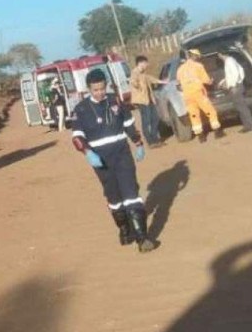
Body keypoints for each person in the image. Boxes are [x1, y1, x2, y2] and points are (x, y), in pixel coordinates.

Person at [70, 68, 159, 252]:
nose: (100, 92)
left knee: (131, 194)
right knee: (114, 197)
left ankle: (143, 239)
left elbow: (128, 124)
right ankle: (125, 229)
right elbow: (77, 137)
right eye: (95, 90)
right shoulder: (81, 109)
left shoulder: (115, 101)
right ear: (88, 89)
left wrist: (138, 143)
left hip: (122, 154)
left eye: (102, 88)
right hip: (101, 160)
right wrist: (87, 152)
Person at [177, 48, 224, 142]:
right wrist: (211, 82)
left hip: (187, 95)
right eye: (198, 56)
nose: (198, 58)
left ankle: (200, 136)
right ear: (194, 56)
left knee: (194, 115)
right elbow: (206, 80)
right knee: (210, 111)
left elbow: (179, 85)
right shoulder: (198, 66)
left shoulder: (180, 69)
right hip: (198, 92)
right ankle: (217, 131)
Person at [130, 56, 166, 147]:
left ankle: (155, 139)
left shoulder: (144, 74)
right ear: (141, 63)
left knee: (155, 118)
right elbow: (133, 82)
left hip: (149, 100)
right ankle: (151, 142)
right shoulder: (135, 72)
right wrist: (137, 85)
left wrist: (163, 82)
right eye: (146, 63)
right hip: (141, 101)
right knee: (146, 121)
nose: (147, 65)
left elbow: (152, 79)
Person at [219, 50, 252, 133]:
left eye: (219, 55)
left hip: (236, 87)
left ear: (220, 54)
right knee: (240, 107)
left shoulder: (229, 62)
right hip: (237, 86)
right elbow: (240, 71)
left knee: (242, 107)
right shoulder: (230, 60)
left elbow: (236, 74)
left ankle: (250, 126)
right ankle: (247, 125)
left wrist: (235, 85)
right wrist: (224, 82)